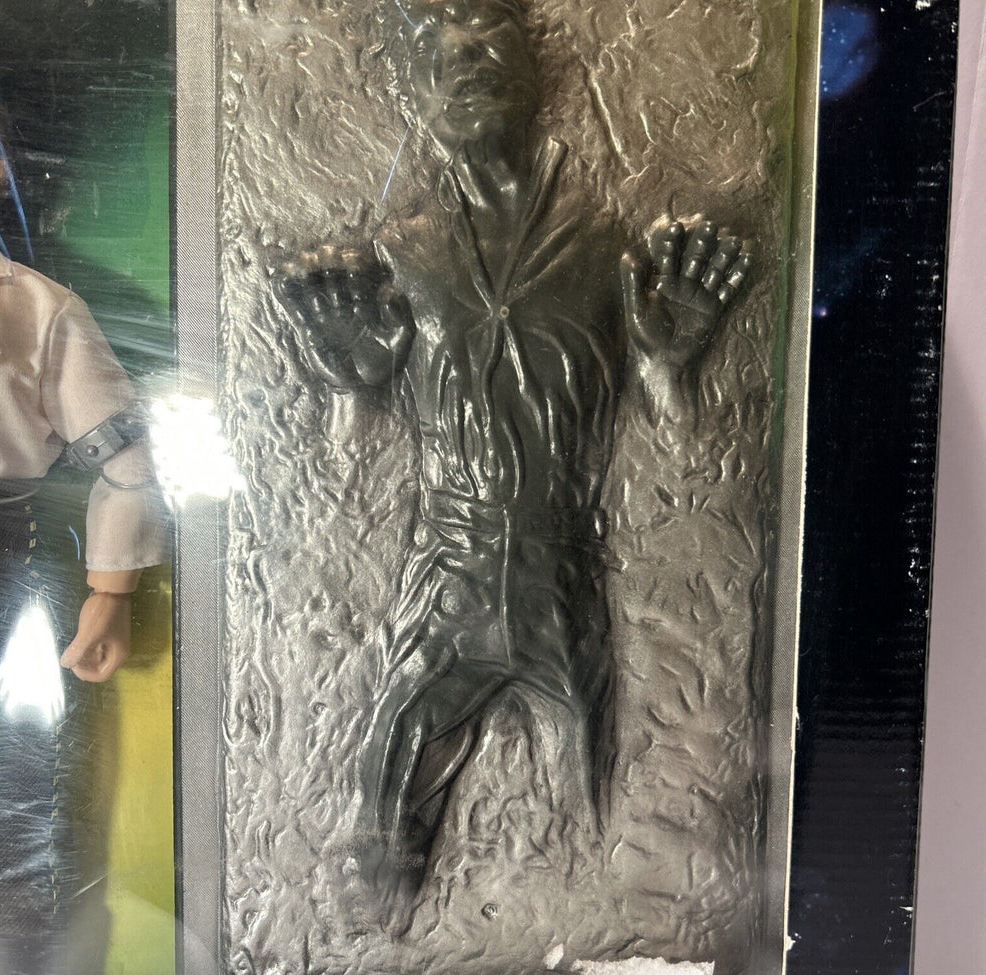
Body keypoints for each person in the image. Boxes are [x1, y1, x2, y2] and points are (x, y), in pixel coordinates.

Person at [275, 0, 751, 904]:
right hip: (442, 575)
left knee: (599, 831)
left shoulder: (608, 248)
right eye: (442, 62)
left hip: (562, 575)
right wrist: (350, 392)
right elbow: (331, 498)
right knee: (379, 846)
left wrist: (668, 370)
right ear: (415, 96)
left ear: (537, 80)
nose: (465, 69)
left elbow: (693, 471)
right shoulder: (398, 256)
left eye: (489, 54)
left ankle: (602, 957)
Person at [0, 66, 165, 975]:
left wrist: (110, 589)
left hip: (4, 561)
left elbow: (126, 460)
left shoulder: (36, 309)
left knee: (21, 800)